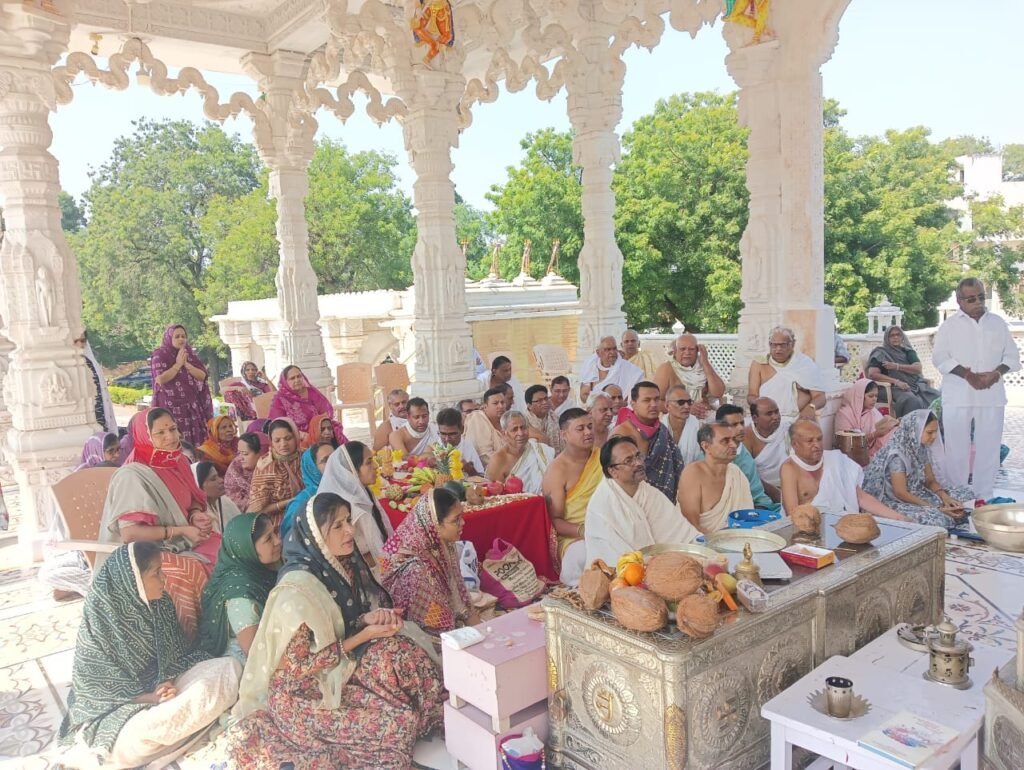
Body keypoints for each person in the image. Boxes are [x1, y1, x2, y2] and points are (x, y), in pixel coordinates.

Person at [227, 493, 444, 770]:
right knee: (397, 722)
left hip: (336, 667)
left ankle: (433, 713)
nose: (350, 530)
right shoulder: (297, 591)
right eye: (338, 525)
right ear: (317, 536)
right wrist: (366, 635)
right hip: (301, 693)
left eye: (348, 520)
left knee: (402, 651)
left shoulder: (336, 564)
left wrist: (367, 618)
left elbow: (338, 623)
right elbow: (298, 665)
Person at [56, 542, 240, 769]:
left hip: (165, 693)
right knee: (140, 736)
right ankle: (180, 730)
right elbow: (94, 694)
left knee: (229, 668)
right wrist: (150, 697)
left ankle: (180, 731)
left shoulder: (161, 603)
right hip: (122, 711)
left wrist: (166, 680)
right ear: (132, 580)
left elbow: (177, 654)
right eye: (156, 573)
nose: (164, 579)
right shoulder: (102, 617)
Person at [99, 407, 218, 640]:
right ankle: (191, 641)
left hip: (183, 541)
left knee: (229, 550)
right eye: (160, 433)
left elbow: (191, 501)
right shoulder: (132, 475)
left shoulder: (177, 461)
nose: (171, 437)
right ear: (145, 436)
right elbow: (130, 534)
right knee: (188, 572)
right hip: (145, 553)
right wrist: (182, 530)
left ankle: (225, 628)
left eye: (173, 429)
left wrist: (195, 515)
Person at [932, 277, 1021, 499]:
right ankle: (959, 497)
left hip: (992, 396)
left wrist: (996, 373)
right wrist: (968, 375)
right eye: (972, 299)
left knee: (989, 449)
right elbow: (940, 358)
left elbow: (1012, 356)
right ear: (959, 300)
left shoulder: (997, 323)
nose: (978, 302)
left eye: (981, 297)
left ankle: (984, 497)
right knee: (956, 450)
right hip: (958, 396)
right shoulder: (949, 327)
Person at [584, 436, 701, 567]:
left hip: (658, 569)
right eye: (629, 460)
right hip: (621, 574)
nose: (638, 463)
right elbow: (613, 559)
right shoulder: (601, 506)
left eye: (638, 456)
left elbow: (682, 535)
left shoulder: (649, 493)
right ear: (613, 471)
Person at [380, 488, 480, 637]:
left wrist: (470, 617)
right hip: (419, 633)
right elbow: (433, 622)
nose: (463, 522)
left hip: (443, 613)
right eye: (455, 520)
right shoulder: (414, 569)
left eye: (461, 516)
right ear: (433, 523)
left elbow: (457, 586)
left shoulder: (441, 542)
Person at [862, 410, 974, 527]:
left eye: (935, 432)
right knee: (940, 519)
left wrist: (946, 498)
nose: (934, 437)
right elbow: (900, 493)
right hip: (896, 501)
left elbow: (930, 481)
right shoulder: (897, 455)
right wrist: (935, 508)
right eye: (929, 432)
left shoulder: (920, 447)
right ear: (914, 431)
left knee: (967, 493)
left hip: (917, 492)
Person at [199, 513, 282, 664]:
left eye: (275, 533)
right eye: (268, 539)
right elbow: (256, 654)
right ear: (247, 548)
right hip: (247, 665)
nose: (278, 541)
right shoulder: (240, 596)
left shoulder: (264, 570)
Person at [780, 420, 904, 520]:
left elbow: (860, 497)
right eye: (810, 441)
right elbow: (792, 513)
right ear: (795, 444)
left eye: (819, 439)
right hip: (808, 528)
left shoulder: (835, 460)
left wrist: (898, 517)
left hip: (843, 523)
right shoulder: (789, 469)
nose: (817, 445)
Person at [542, 408, 600, 585]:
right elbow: (554, 521)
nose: (588, 432)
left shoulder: (602, 457)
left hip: (609, 526)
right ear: (564, 434)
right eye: (580, 428)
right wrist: (586, 531)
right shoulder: (557, 470)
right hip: (575, 536)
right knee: (582, 556)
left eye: (590, 426)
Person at [319, 441, 395, 572]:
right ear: (351, 470)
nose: (376, 466)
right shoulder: (347, 509)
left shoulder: (363, 493)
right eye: (369, 462)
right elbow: (364, 556)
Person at [611, 381, 683, 501]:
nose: (653, 404)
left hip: (665, 502)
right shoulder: (621, 434)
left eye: (656, 399)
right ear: (633, 404)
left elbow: (676, 466)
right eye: (647, 400)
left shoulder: (662, 430)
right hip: (632, 501)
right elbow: (618, 476)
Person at [678, 423, 753, 533]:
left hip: (738, 538)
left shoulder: (736, 473)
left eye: (734, 440)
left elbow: (747, 518)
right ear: (706, 446)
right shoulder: (693, 473)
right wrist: (720, 541)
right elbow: (690, 525)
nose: (733, 445)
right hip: (702, 541)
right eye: (725, 441)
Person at [150, 324, 213, 446]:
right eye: (177, 336)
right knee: (174, 441)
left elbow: (202, 376)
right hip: (170, 407)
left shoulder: (188, 353)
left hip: (192, 407)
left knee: (197, 444)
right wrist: (178, 365)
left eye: (183, 336)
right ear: (169, 338)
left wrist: (186, 364)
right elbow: (160, 379)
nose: (181, 339)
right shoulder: (160, 354)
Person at [709, 404, 779, 512]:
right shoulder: (709, 456)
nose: (741, 428)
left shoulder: (744, 454)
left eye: (742, 423)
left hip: (754, 507)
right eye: (734, 425)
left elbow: (757, 494)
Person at [747, 326, 826, 420]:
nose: (778, 349)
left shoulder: (805, 364)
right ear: (769, 344)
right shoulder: (759, 363)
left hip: (798, 418)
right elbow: (752, 395)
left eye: (783, 345)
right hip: (765, 419)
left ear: (793, 344)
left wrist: (811, 407)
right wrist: (762, 408)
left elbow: (820, 397)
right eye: (774, 345)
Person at [867, 326, 940, 417]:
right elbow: (872, 374)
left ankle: (933, 425)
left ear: (902, 337)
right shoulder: (881, 353)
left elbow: (917, 368)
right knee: (913, 400)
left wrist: (896, 366)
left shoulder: (908, 351)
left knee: (937, 397)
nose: (895, 337)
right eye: (892, 335)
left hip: (915, 385)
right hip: (893, 388)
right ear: (887, 338)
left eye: (898, 335)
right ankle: (910, 425)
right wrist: (897, 382)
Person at [269, 365, 347, 446]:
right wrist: (301, 434)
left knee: (335, 433)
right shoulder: (280, 399)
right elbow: (278, 423)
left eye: (299, 376)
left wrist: (321, 428)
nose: (297, 380)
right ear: (285, 382)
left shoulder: (312, 392)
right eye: (292, 378)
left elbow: (326, 412)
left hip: (318, 429)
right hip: (296, 434)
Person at [654, 334, 725, 420]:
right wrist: (685, 409)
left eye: (691, 349)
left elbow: (718, 393)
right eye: (682, 349)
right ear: (675, 351)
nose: (687, 353)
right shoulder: (666, 369)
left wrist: (705, 362)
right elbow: (655, 401)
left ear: (697, 351)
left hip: (705, 415)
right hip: (677, 418)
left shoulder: (703, 366)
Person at [247, 418, 303, 525]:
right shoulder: (266, 467)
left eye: (288, 438)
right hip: (279, 524)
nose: (283, 444)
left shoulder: (306, 458)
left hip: (309, 516)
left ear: (296, 437)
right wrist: (289, 502)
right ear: (271, 442)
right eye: (277, 440)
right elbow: (257, 510)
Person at [485, 410, 555, 495]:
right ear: (504, 434)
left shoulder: (539, 450)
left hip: (547, 499)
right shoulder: (498, 459)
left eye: (523, 428)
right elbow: (494, 494)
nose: (520, 433)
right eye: (514, 429)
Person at [835, 379, 898, 463]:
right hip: (856, 455)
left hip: (874, 448)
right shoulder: (845, 414)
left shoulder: (872, 411)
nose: (874, 399)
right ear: (859, 396)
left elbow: (881, 427)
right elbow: (847, 444)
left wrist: (892, 424)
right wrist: (874, 434)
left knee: (896, 431)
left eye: (876, 396)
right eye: (871, 396)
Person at [282, 442, 335, 536]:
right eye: (325, 460)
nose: (333, 463)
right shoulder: (302, 502)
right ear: (312, 468)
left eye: (335, 457)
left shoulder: (346, 488)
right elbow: (289, 536)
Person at [744, 397, 789, 503]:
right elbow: (747, 474)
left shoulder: (787, 428)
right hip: (761, 490)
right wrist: (775, 493)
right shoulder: (746, 436)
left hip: (789, 484)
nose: (776, 417)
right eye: (769, 414)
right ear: (755, 418)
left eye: (777, 412)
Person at [74, 331, 117, 434]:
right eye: (75, 341)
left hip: (98, 417)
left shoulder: (90, 363)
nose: (80, 345)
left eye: (83, 341)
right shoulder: (70, 366)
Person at [579, 336, 644, 403]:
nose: (612, 352)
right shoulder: (591, 367)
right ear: (598, 353)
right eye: (608, 349)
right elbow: (583, 395)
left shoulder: (629, 369)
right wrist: (600, 404)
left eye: (614, 348)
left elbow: (632, 399)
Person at [193, 460, 243, 534]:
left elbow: (242, 527)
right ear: (199, 487)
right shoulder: (200, 517)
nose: (221, 480)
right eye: (213, 479)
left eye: (218, 476)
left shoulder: (225, 502)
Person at [224, 432, 268, 512]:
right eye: (239, 453)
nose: (240, 458)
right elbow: (233, 501)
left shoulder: (271, 468)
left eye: (245, 454)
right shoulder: (235, 468)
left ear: (260, 453)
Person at [464, 387, 508, 467]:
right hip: (488, 470)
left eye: (503, 402)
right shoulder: (477, 418)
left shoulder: (505, 420)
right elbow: (484, 456)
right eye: (495, 403)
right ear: (485, 407)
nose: (501, 406)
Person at [436, 407, 482, 476]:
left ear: (462, 430)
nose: (447, 439)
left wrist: (471, 471)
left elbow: (482, 478)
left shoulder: (468, 447)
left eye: (452, 434)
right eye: (443, 433)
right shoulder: (435, 447)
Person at [661, 384, 701, 465]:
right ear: (667, 405)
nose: (686, 406)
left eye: (689, 402)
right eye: (681, 402)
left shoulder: (699, 427)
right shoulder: (658, 427)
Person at [525, 384, 562, 450]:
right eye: (539, 401)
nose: (545, 402)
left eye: (546, 398)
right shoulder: (523, 422)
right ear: (529, 405)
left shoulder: (555, 418)